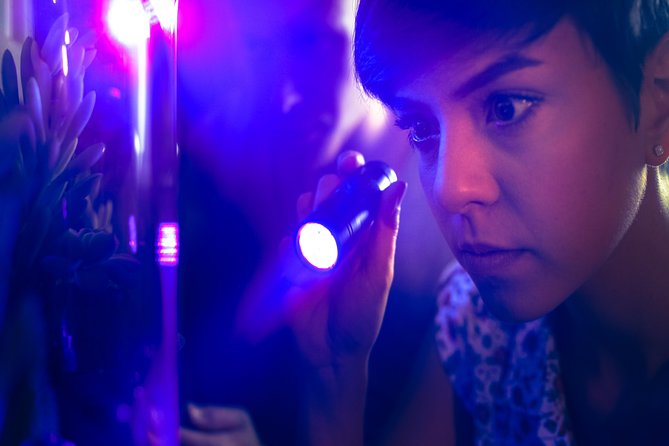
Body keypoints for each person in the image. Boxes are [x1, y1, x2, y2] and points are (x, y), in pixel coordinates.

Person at [290, 0, 669, 444]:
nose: (449, 189)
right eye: (423, 129)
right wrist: (336, 375)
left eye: (506, 108)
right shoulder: (478, 328)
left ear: (658, 101)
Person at [176, 0, 451, 444]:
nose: (285, 92)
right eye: (263, 50)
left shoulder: (449, 219)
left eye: (313, 45)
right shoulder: (219, 167)